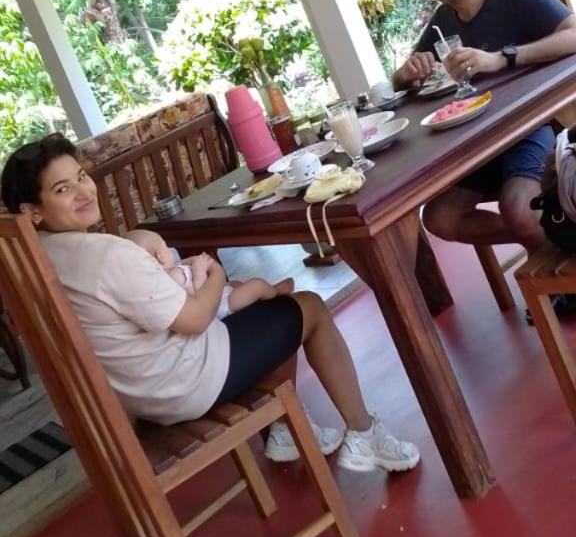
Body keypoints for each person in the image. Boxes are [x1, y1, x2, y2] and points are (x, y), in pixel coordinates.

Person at [0, 133, 420, 475]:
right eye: (62, 189)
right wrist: (215, 274)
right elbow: (196, 320)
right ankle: (363, 434)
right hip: (184, 385)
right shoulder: (106, 256)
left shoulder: (37, 262)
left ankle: (283, 428)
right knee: (307, 306)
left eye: (80, 177)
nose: (83, 191)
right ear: (32, 210)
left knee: (259, 303)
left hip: (139, 394)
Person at [391, 0, 576, 266]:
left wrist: (501, 58)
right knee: (440, 219)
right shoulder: (443, 20)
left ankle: (555, 268)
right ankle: (544, 233)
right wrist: (404, 74)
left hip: (535, 124)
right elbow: (401, 82)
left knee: (519, 208)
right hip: (484, 141)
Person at [126, 226, 295, 319]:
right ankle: (274, 291)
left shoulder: (168, 274)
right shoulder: (174, 277)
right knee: (257, 284)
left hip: (221, 294)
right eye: (166, 247)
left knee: (236, 283)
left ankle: (257, 299)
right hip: (219, 305)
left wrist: (193, 261)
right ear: (161, 255)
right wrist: (199, 271)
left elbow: (184, 266)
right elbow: (198, 298)